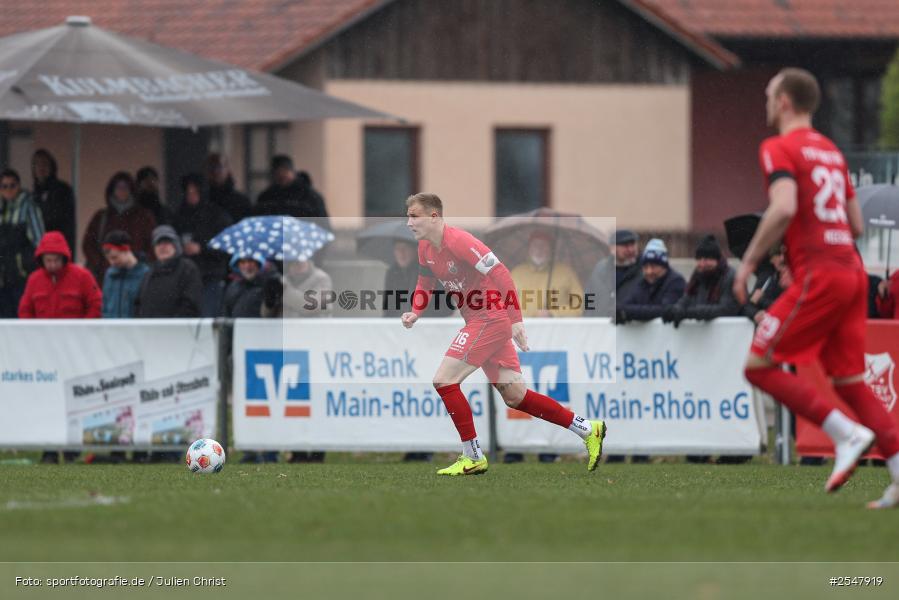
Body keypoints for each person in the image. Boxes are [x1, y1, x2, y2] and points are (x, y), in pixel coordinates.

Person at [733, 67, 899, 509]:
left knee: (757, 364)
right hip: (851, 271)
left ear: (785, 101)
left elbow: (784, 205)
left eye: (770, 94)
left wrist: (750, 260)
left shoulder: (778, 147)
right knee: (850, 380)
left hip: (820, 273)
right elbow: (857, 224)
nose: (767, 102)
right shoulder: (831, 151)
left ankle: (846, 434)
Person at [401, 193, 606, 475]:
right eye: (408, 215)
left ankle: (472, 455)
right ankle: (588, 429)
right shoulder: (425, 248)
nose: (409, 222)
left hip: (490, 318)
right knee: (516, 396)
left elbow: (501, 274)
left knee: (444, 380)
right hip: (480, 319)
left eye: (414, 216)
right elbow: (425, 281)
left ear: (434, 217)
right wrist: (416, 311)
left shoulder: (460, 241)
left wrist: (516, 321)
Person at [19, 230, 100, 465]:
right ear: (41, 260)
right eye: (48, 260)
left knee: (74, 399)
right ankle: (50, 449)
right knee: (47, 399)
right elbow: (25, 310)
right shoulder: (34, 280)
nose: (52, 264)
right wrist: (33, 336)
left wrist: (81, 333)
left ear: (64, 258)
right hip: (44, 353)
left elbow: (95, 305)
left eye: (56, 259)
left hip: (75, 351)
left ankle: (72, 448)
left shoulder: (82, 277)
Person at [172, 173, 232, 317]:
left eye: (195, 192)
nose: (191, 196)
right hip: (186, 278)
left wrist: (202, 248)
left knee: (207, 319)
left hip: (211, 276)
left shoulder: (217, 215)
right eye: (188, 192)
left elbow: (225, 246)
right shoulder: (180, 215)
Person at [83, 172, 156, 284]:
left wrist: (140, 264)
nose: (122, 191)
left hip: (135, 275)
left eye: (125, 187)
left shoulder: (144, 216)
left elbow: (152, 245)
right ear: (112, 190)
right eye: (118, 187)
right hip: (106, 275)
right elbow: (88, 243)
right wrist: (100, 262)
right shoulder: (101, 217)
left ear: (131, 190)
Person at [663, 235, 741, 328]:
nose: (702, 263)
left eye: (707, 259)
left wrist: (690, 313)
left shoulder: (730, 276)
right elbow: (686, 298)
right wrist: (676, 309)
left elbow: (727, 309)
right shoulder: (697, 276)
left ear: (717, 260)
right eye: (699, 259)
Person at [0, 168, 44, 317]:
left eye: (12, 185)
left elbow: (39, 241)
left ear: (19, 186)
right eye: (4, 186)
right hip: (3, 277)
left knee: (22, 318)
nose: (8, 190)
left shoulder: (28, 206)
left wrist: (28, 265)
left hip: (21, 276)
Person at [510, 231, 584, 318]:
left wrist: (553, 313)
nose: (539, 249)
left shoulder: (566, 273)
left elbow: (579, 306)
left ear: (551, 249)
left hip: (556, 329)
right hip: (523, 329)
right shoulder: (516, 273)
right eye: (535, 245)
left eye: (544, 245)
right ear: (529, 248)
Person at [134, 225, 202, 318]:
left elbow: (191, 303)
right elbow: (139, 304)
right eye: (158, 243)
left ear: (175, 245)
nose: (162, 247)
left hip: (177, 329)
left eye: (166, 243)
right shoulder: (149, 273)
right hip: (150, 329)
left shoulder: (188, 268)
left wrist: (173, 324)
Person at [616, 239, 685, 324]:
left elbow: (664, 310)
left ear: (664, 266)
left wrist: (627, 312)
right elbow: (625, 304)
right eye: (645, 267)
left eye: (653, 267)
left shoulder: (676, 282)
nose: (649, 271)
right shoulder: (643, 283)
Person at [255, 155, 330, 230]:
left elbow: (322, 223)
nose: (282, 175)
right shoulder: (266, 197)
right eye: (278, 173)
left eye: (285, 171)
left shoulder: (310, 196)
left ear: (292, 172)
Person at [583, 229, 641, 318]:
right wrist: (587, 317)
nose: (630, 249)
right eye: (625, 245)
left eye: (632, 245)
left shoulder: (645, 270)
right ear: (612, 248)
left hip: (633, 328)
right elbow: (589, 297)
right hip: (602, 326)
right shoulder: (600, 269)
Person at [32, 149, 76, 254]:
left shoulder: (63, 190)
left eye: (44, 163)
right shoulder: (34, 194)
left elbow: (68, 226)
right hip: (39, 250)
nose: (41, 167)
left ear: (52, 166)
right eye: (37, 164)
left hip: (58, 249)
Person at [101, 230, 150, 319]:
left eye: (115, 257)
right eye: (108, 259)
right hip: (112, 330)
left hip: (135, 330)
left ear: (126, 250)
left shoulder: (145, 274)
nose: (112, 263)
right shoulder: (110, 274)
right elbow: (105, 305)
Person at [261, 259, 334, 319]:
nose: (298, 263)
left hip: (314, 330)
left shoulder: (322, 278)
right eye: (294, 261)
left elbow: (315, 306)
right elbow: (266, 315)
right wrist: (270, 301)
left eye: (301, 260)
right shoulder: (283, 280)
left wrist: (285, 291)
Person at [207, 154, 251, 223]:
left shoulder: (241, 201)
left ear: (227, 169)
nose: (216, 171)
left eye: (220, 167)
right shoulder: (203, 200)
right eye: (212, 167)